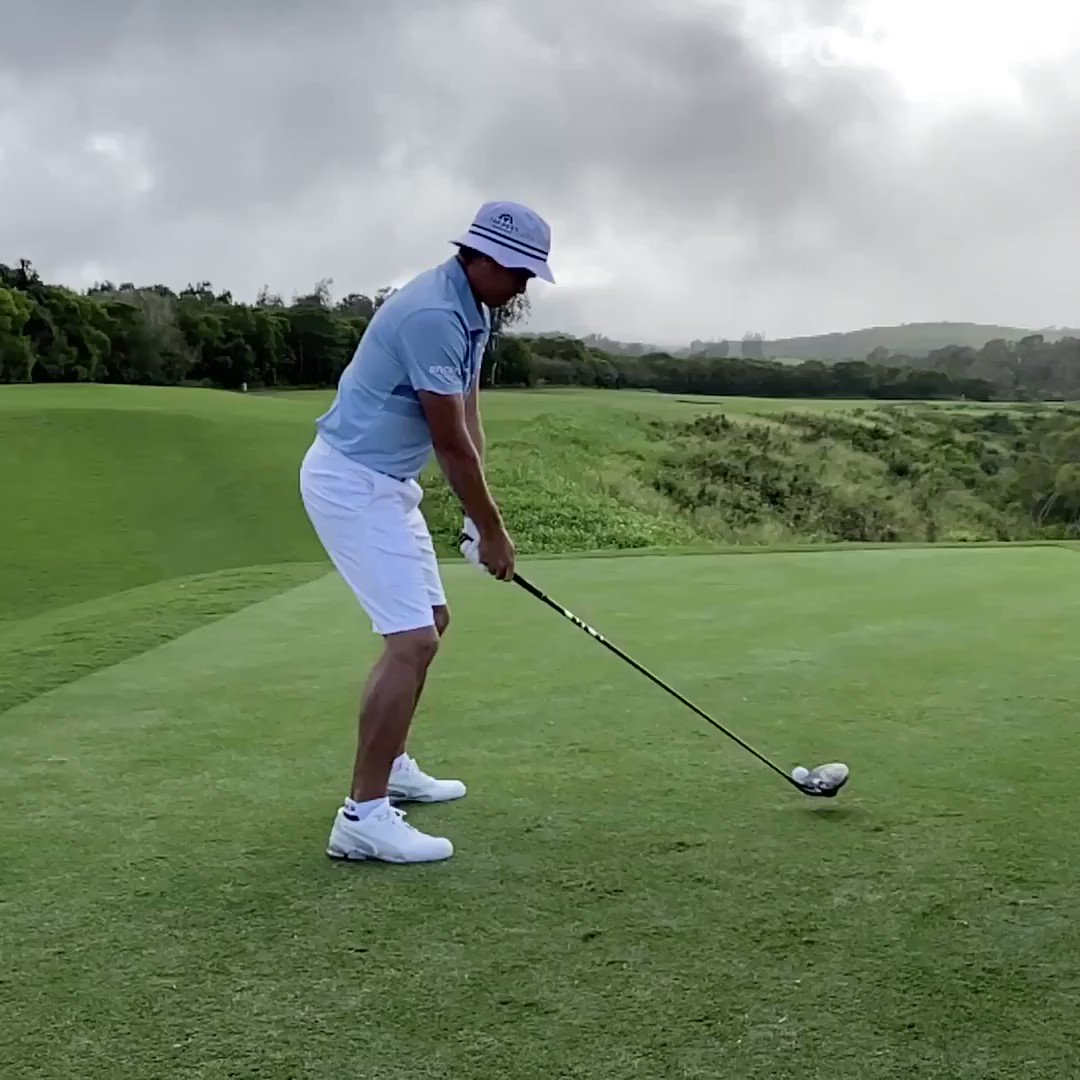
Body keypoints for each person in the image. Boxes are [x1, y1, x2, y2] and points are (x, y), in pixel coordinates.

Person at [299, 200, 555, 864]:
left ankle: (393, 766)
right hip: (351, 481)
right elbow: (449, 443)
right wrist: (493, 532)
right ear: (483, 258)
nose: (525, 285)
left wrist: (477, 514)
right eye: (520, 272)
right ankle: (362, 814)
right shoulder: (434, 314)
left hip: (386, 486)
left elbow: (469, 418)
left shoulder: (472, 310)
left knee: (432, 622)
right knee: (409, 641)